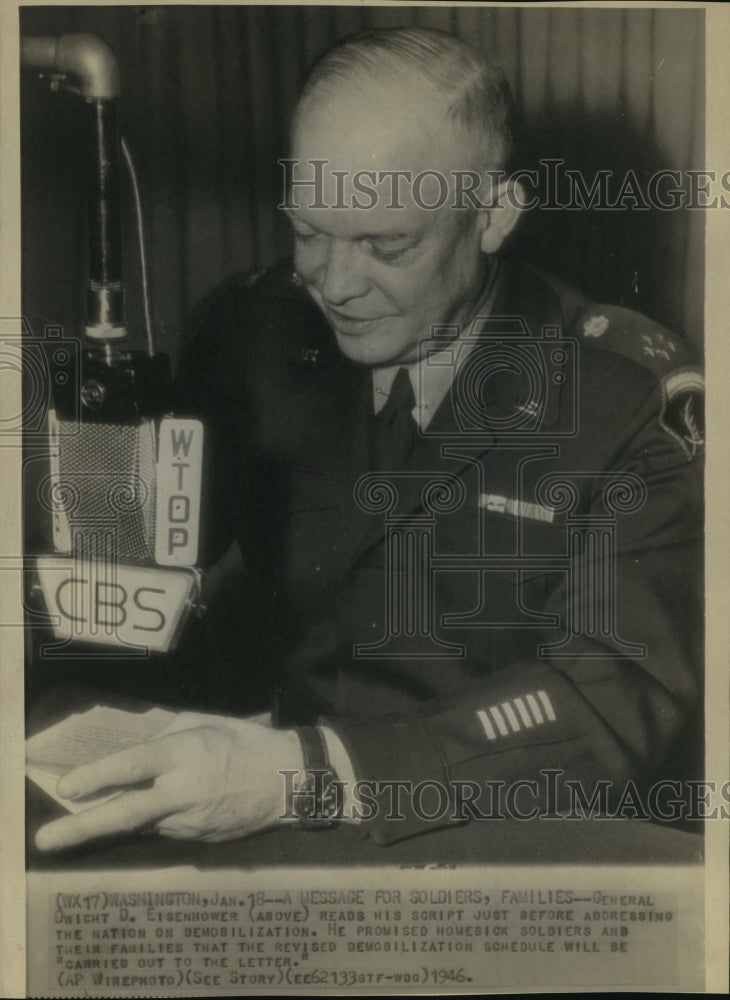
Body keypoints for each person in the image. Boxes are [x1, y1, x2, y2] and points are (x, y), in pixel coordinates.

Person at [35, 27, 703, 852]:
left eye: (387, 246)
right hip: (265, 806)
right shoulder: (256, 330)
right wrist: (96, 454)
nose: (335, 286)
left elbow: (609, 702)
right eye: (308, 233)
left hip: (502, 828)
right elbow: (136, 576)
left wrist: (308, 772)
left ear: (495, 214)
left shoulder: (625, 397)